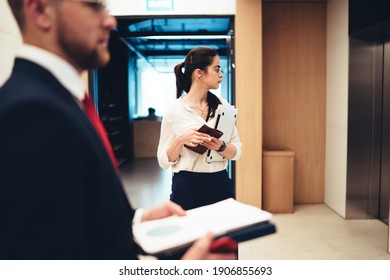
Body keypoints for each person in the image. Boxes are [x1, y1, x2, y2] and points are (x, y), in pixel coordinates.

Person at [0, 0, 237, 260]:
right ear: (40, 10)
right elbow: (43, 258)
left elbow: (71, 213)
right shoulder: (30, 111)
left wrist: (137, 219)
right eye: (93, 5)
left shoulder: (60, 98)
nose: (111, 22)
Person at [157, 46, 242, 211]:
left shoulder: (223, 107)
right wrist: (179, 140)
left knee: (222, 235)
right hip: (187, 186)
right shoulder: (173, 110)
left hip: (220, 183)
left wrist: (221, 146)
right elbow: (163, 161)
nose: (221, 74)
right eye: (216, 69)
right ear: (199, 73)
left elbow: (237, 152)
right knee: (190, 235)